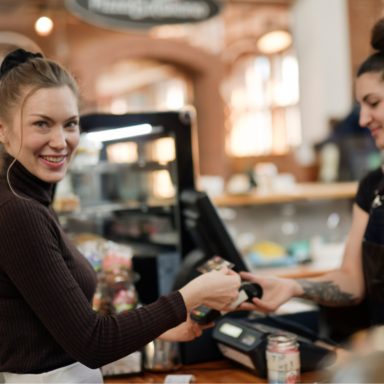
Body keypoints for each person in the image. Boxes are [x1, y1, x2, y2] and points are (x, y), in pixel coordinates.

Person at [0, 49, 241, 383]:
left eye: (70, 124)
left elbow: (56, 322)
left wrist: (156, 329)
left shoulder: (29, 199)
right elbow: (92, 342)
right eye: (42, 124)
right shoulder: (18, 212)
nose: (61, 141)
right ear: (2, 130)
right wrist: (193, 295)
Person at [239, 18, 384, 327]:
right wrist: (293, 287)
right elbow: (352, 281)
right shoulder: (373, 186)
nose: (363, 119)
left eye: (374, 103)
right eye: (361, 106)